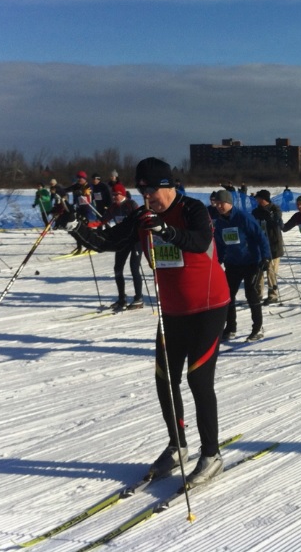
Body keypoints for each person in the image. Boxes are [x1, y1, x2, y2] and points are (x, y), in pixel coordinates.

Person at [56, 157, 231, 486]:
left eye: (151, 189)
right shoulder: (141, 217)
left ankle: (212, 455)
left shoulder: (192, 209)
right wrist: (74, 226)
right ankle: (178, 445)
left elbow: (201, 241)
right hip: (173, 310)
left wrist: (166, 230)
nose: (147, 196)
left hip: (208, 307)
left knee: (197, 378)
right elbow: (108, 241)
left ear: (168, 186)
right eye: (142, 189)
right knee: (164, 377)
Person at [212, 190, 271, 342]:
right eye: (216, 203)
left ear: (229, 203)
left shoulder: (243, 217)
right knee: (228, 295)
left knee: (251, 294)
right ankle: (231, 327)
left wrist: (266, 257)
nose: (218, 206)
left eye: (221, 203)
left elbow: (260, 236)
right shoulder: (219, 222)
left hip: (251, 262)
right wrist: (217, 261)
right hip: (232, 263)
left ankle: (257, 328)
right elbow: (220, 244)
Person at [102, 184, 144, 311]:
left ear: (123, 194)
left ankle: (138, 298)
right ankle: (122, 298)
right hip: (122, 241)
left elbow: (140, 219)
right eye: (113, 195)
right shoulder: (113, 207)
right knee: (118, 268)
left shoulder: (131, 205)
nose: (114, 197)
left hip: (136, 240)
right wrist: (87, 224)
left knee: (134, 268)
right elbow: (102, 220)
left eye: (116, 194)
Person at [251, 190, 285, 305]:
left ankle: (273, 294)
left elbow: (278, 219)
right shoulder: (256, 212)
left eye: (258, 198)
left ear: (263, 199)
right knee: (259, 270)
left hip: (273, 245)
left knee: (271, 271)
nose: (256, 200)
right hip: (260, 245)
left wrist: (273, 217)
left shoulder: (274, 209)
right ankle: (258, 293)